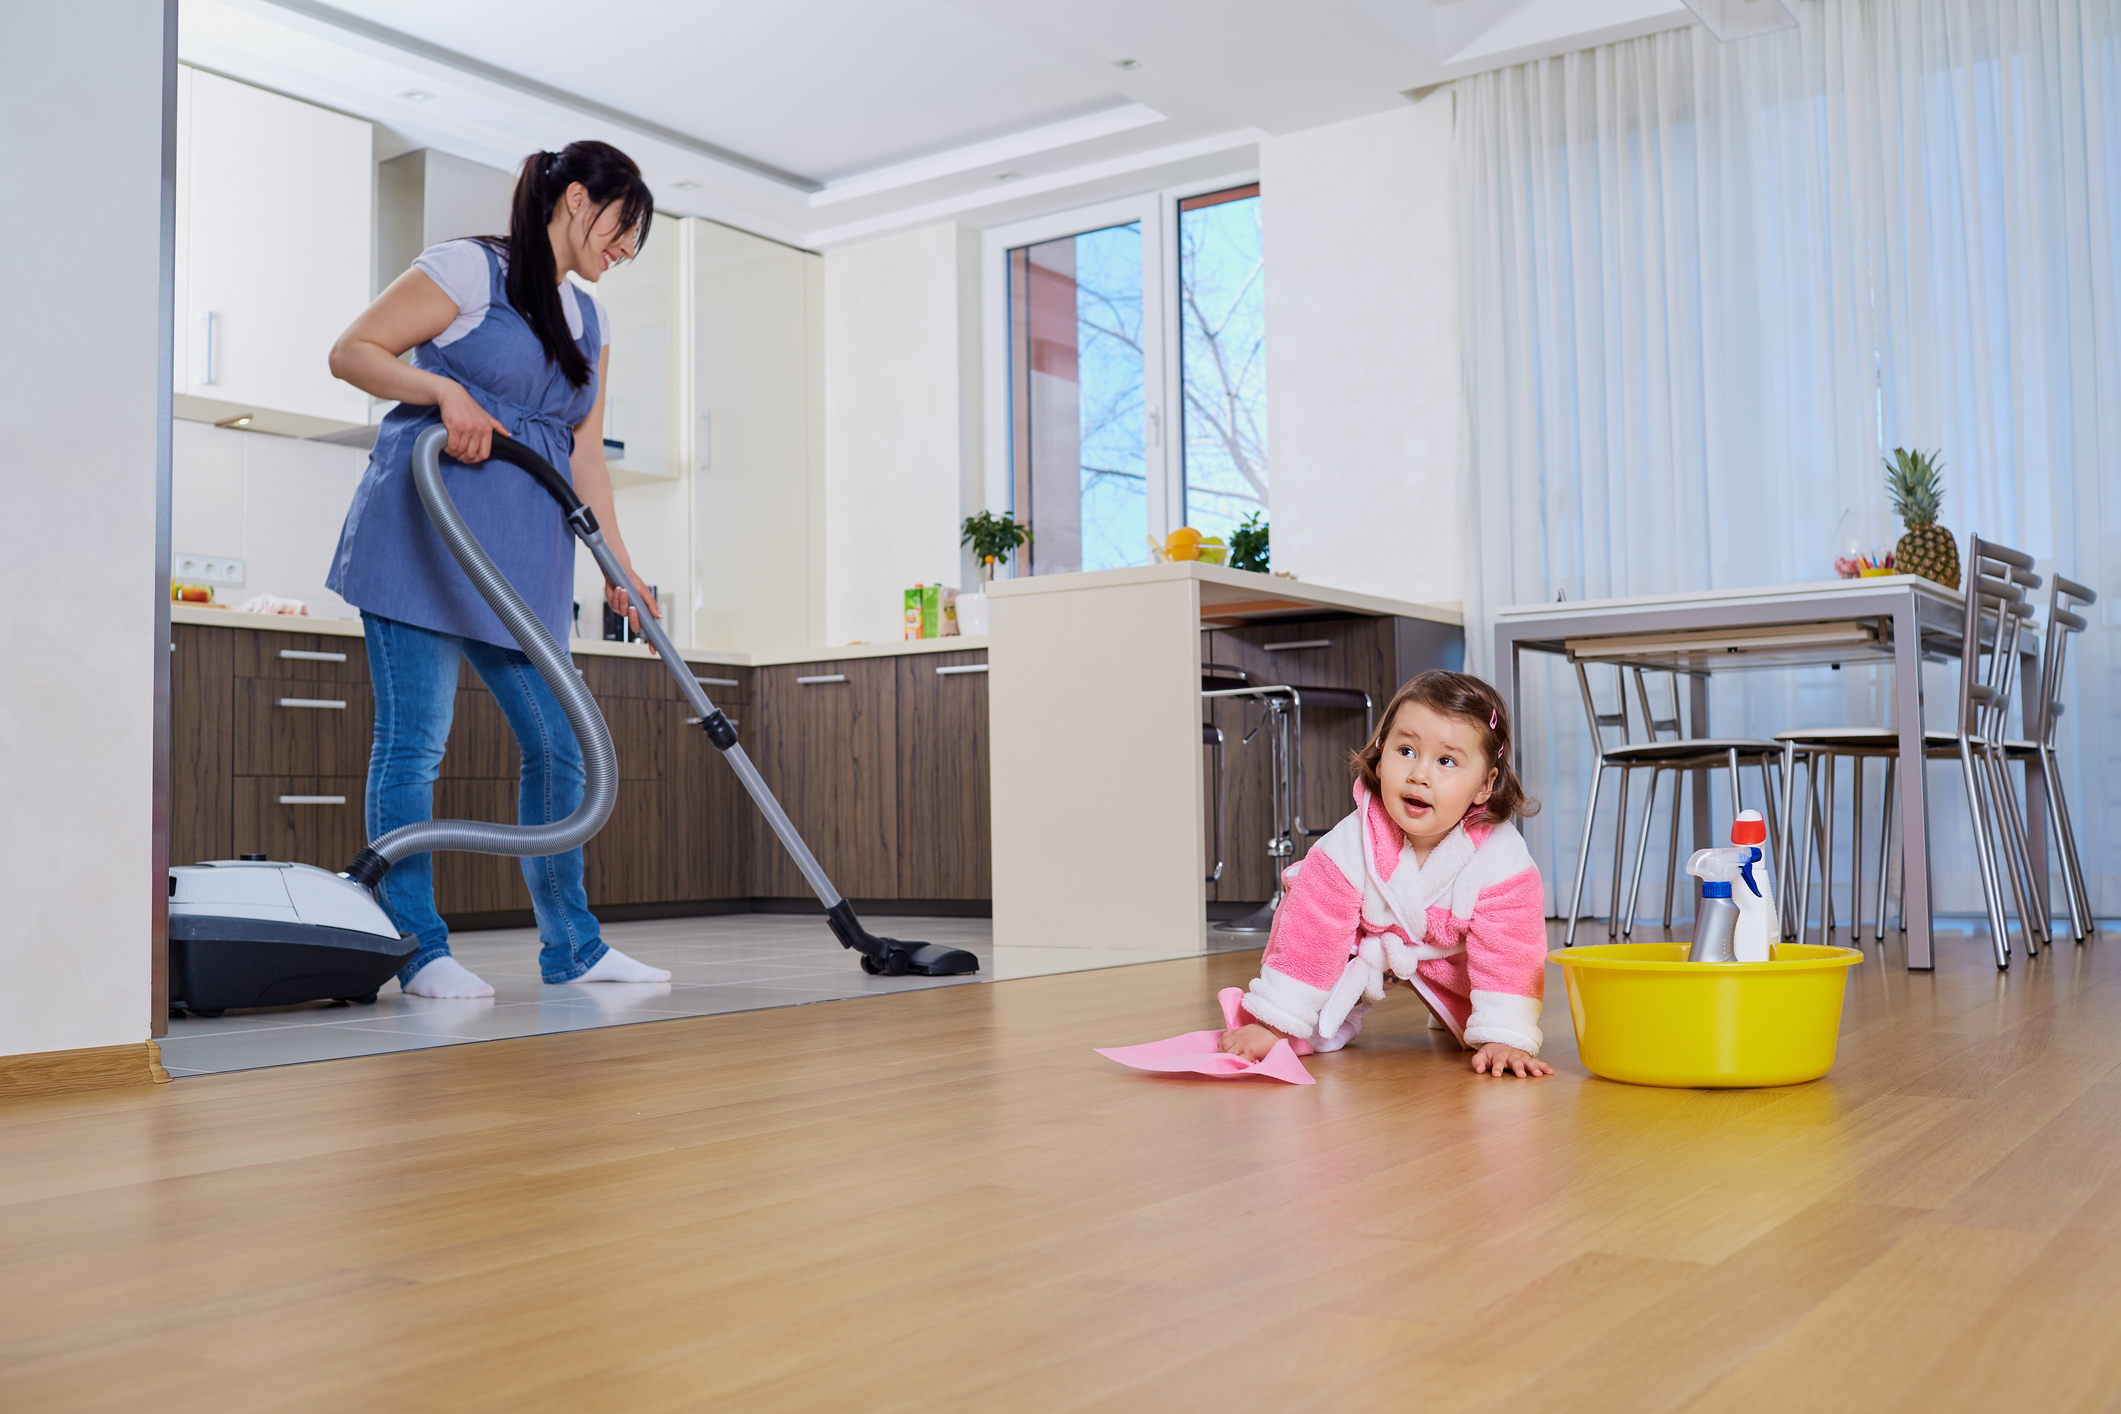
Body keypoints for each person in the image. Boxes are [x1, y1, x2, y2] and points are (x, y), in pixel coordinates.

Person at [324, 141, 670, 999]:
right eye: (625, 228)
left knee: (564, 750)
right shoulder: (468, 270)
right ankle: (418, 949)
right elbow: (353, 351)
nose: (625, 251)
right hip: (426, 533)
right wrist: (441, 392)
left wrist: (621, 570)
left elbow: (585, 456)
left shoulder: (589, 318)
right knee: (415, 745)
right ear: (579, 199)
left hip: (526, 556)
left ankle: (575, 948)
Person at [1217, 671, 1553, 1077]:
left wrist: (1504, 1034)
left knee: (1482, 1026)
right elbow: (1311, 933)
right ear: (1380, 752)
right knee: (1308, 958)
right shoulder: (1349, 844)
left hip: (1455, 963)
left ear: (1485, 785)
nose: (1419, 774)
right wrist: (1275, 1022)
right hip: (1359, 947)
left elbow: (1511, 951)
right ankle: (1300, 1014)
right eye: (1406, 750)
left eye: (1446, 761)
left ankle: (1470, 1017)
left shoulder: (1502, 859)